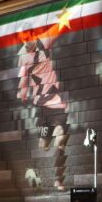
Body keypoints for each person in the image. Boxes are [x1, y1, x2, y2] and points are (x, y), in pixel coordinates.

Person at [17, 24, 71, 191]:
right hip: (42, 108)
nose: (28, 41)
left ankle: (58, 181)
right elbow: (23, 79)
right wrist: (23, 93)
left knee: (61, 140)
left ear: (33, 35)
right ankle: (35, 169)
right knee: (44, 145)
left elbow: (60, 26)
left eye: (29, 37)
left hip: (57, 104)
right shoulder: (23, 57)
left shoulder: (44, 41)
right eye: (24, 39)